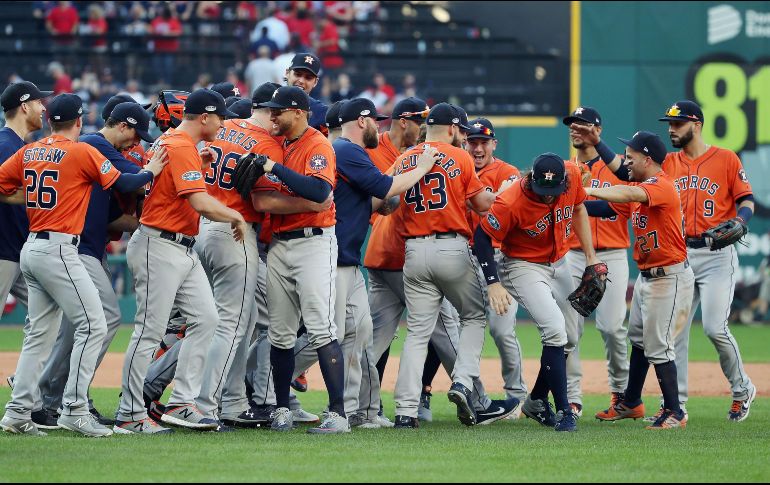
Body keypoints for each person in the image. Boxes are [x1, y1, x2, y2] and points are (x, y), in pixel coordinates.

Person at [572, 100, 757, 422]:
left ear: (697, 125)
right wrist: (567, 199)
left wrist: (741, 220)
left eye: (678, 123)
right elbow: (624, 181)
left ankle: (737, 390)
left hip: (710, 254)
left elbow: (746, 199)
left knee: (713, 328)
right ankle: (668, 403)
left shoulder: (714, 162)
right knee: (664, 338)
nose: (672, 129)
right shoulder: (666, 164)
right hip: (674, 256)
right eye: (669, 124)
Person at [0, 93, 161, 437]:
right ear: (79, 121)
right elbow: (127, 182)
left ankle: (17, 412)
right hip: (59, 249)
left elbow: (2, 185)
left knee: (39, 336)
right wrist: (152, 170)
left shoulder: (30, 151)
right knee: (95, 325)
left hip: (32, 247)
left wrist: (28, 197)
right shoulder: (81, 150)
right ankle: (73, 408)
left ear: (49, 121)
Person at [114, 89, 247, 435]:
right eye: (220, 118)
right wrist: (235, 215)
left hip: (180, 246)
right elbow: (200, 203)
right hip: (158, 244)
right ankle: (129, 414)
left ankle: (181, 403)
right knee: (149, 331)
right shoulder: (180, 144)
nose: (223, 124)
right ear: (204, 117)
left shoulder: (176, 142)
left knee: (207, 319)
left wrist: (198, 167)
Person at [391, 103, 501, 429]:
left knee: (417, 334)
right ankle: (463, 382)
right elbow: (481, 205)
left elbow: (384, 197)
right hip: (451, 247)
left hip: (414, 251)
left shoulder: (405, 158)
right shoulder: (460, 156)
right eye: (462, 131)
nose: (464, 137)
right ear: (452, 129)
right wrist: (503, 195)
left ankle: (405, 411)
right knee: (474, 315)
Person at [475, 152, 602, 432]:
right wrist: (493, 282)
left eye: (554, 190)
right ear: (532, 179)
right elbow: (482, 238)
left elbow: (579, 208)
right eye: (543, 191)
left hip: (560, 261)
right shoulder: (511, 200)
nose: (548, 197)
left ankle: (536, 401)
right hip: (522, 266)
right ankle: (565, 412)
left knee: (570, 337)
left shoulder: (573, 175)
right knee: (555, 330)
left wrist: (591, 257)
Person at [250, 86, 346, 434]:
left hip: (313, 242)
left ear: (299, 112)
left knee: (321, 328)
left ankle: (338, 414)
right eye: (271, 110)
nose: (273, 115)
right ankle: (281, 409)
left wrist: (273, 167)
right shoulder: (278, 144)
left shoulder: (317, 144)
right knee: (280, 333)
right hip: (279, 242)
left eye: (279, 110)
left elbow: (320, 191)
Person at [585, 131, 694, 430]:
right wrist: (573, 202)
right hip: (648, 276)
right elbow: (608, 208)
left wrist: (589, 189)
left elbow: (628, 194)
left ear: (648, 159)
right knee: (639, 341)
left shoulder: (661, 185)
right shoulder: (638, 187)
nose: (626, 162)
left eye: (631, 157)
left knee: (658, 346)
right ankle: (631, 401)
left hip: (669, 277)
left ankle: (675, 411)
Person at [556, 107, 631, 419]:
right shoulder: (563, 168)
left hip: (612, 254)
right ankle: (572, 398)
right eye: (572, 125)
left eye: (583, 125)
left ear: (597, 130)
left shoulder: (617, 166)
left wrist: (581, 199)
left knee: (612, 328)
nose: (576, 130)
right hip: (573, 255)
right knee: (569, 331)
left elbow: (619, 208)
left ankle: (622, 393)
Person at [0, 81, 52, 409]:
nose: (43, 107)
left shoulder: (21, 145)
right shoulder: (6, 144)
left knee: (47, 316)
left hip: (20, 251)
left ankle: (23, 386)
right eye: (38, 101)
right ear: (24, 106)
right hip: (3, 252)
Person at [282, 53, 329, 133]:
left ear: (315, 82)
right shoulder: (268, 102)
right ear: (287, 73)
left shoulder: (322, 112)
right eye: (298, 74)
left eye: (308, 77)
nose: (301, 81)